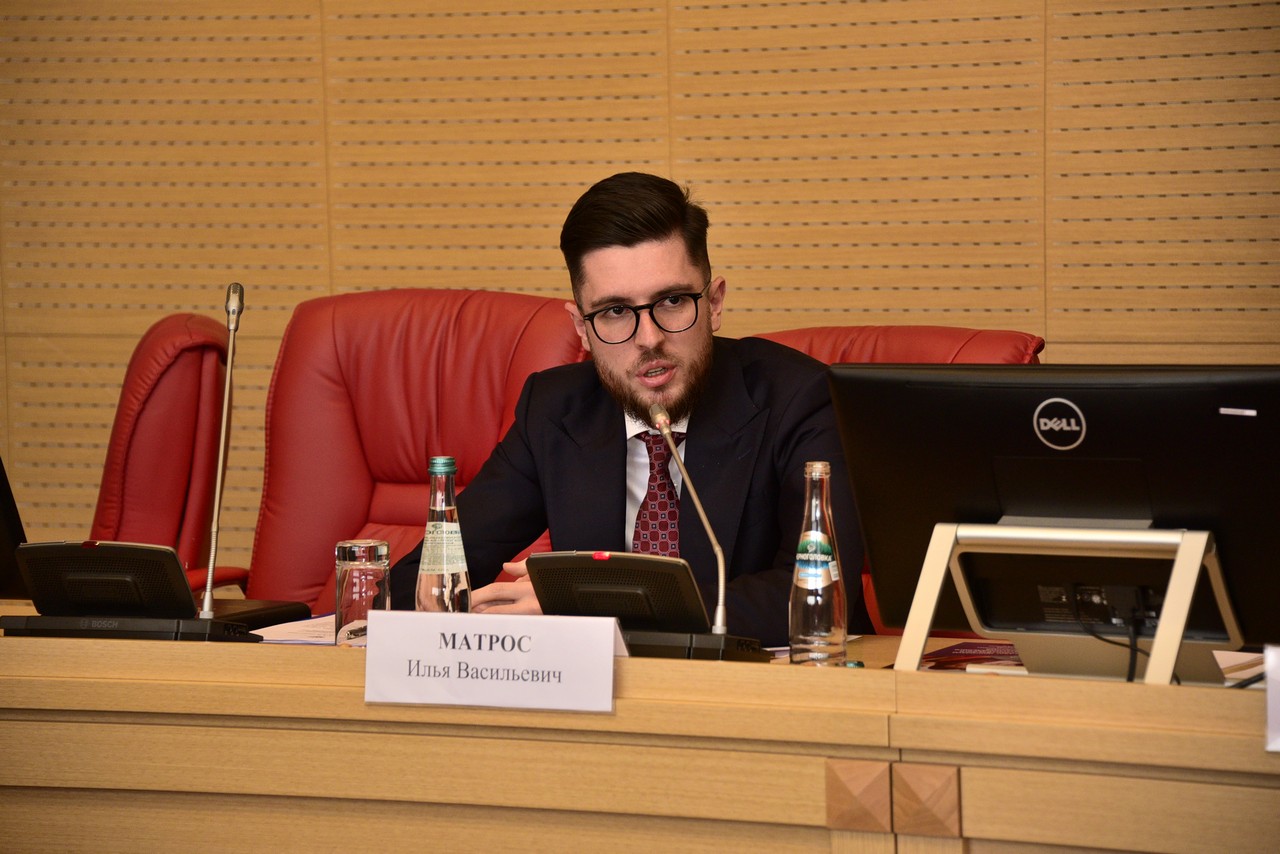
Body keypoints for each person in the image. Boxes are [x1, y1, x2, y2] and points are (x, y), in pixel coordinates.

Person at [390, 171, 866, 645]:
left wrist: (593, 605)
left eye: (672, 300)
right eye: (615, 311)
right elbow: (420, 581)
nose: (649, 338)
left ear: (715, 302)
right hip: (599, 688)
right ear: (581, 328)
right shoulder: (555, 411)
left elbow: (817, 593)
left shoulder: (801, 399)